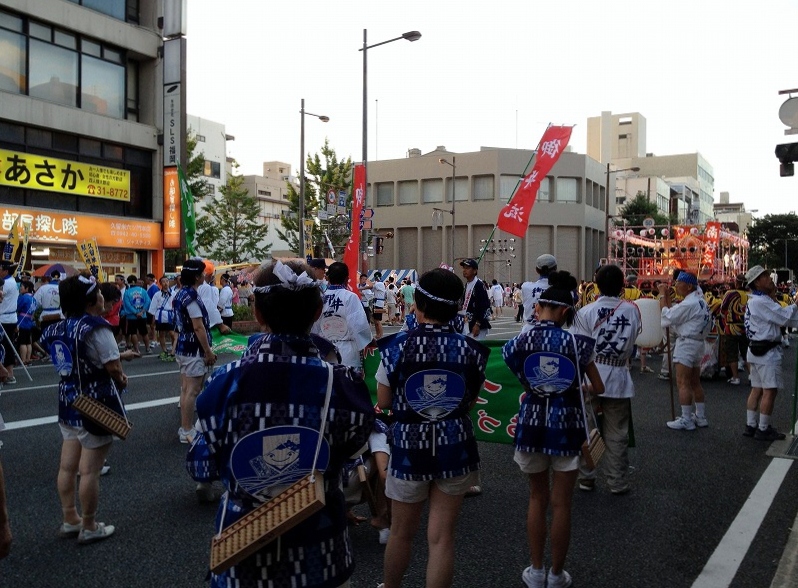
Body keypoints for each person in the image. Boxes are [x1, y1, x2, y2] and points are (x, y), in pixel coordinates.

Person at [188, 260, 374, 588]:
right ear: (318, 312)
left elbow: (202, 467)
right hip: (321, 551)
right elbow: (354, 454)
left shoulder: (222, 383)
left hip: (244, 550)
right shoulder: (341, 384)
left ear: (257, 313)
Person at [377, 268, 489, 588]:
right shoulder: (472, 349)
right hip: (456, 445)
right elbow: (468, 401)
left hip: (408, 446)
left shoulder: (395, 346)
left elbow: (384, 402)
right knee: (441, 539)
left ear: (419, 304)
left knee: (401, 533)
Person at [502, 271, 604, 588]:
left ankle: (535, 571)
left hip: (531, 422)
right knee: (562, 503)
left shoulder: (518, 342)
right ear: (564, 312)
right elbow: (597, 387)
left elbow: (520, 375)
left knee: (536, 498)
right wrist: (573, 388)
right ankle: (557, 575)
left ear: (538, 308)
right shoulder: (579, 344)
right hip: (568, 425)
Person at [40, 272, 137, 544]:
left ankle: (69, 518)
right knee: (91, 469)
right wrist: (121, 376)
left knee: (67, 466)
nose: (102, 295)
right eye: (98, 292)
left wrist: (120, 358)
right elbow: (112, 366)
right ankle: (89, 524)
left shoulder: (56, 328)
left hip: (67, 399)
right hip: (95, 402)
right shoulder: (96, 326)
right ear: (91, 299)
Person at [572, 264, 641, 495]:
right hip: (619, 376)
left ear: (596, 284)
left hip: (590, 374)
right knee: (617, 433)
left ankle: (586, 477)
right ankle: (617, 481)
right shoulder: (632, 310)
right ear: (622, 285)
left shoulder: (585, 311)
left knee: (587, 430)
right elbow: (636, 338)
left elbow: (579, 347)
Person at [743, 265, 798, 440]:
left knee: (757, 389)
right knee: (769, 390)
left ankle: (751, 425)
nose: (769, 278)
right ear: (757, 283)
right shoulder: (761, 301)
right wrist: (796, 303)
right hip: (766, 351)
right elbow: (784, 318)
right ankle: (763, 428)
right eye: (765, 276)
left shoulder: (755, 300)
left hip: (755, 348)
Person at [659, 272, 713, 430]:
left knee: (683, 382)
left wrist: (662, 294)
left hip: (687, 344)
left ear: (689, 286)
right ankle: (700, 416)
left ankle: (686, 418)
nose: (676, 286)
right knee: (695, 382)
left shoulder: (689, 304)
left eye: (678, 283)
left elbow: (667, 315)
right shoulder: (700, 301)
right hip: (697, 343)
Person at [172, 259, 217, 444]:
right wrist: (208, 352)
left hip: (183, 346)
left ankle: (185, 426)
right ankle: (187, 429)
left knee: (185, 389)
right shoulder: (191, 297)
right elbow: (198, 327)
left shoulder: (180, 293)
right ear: (198, 276)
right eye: (203, 273)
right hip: (193, 348)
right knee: (193, 390)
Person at [311, 262, 372, 369]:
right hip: (347, 353)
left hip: (324, 351)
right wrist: (369, 342)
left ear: (327, 277)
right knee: (348, 384)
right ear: (346, 278)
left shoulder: (319, 297)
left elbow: (313, 326)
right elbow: (359, 326)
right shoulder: (350, 297)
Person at [719, 274, 749, 385]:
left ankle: (735, 377)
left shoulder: (730, 293)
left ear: (736, 282)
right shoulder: (750, 294)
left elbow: (723, 309)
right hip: (746, 328)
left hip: (731, 328)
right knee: (746, 352)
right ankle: (752, 376)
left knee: (732, 353)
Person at [521, 254, 557, 333]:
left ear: (537, 270)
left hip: (527, 332)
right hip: (552, 332)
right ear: (555, 268)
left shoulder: (526, 286)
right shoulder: (559, 289)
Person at [459, 259, 491, 339]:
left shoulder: (479, 285)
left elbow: (483, 305)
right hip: (468, 323)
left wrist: (477, 324)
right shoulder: (467, 284)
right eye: (464, 268)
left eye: (467, 268)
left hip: (477, 325)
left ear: (474, 271)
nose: (464, 270)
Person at [148, 276, 177, 361]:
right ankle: (164, 351)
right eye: (163, 282)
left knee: (172, 334)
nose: (165, 283)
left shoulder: (174, 293)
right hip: (160, 316)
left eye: (167, 281)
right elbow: (153, 306)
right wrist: (153, 318)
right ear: (160, 284)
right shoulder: (157, 295)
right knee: (161, 334)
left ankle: (173, 350)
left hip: (170, 315)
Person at [121, 275, 151, 354]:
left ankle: (136, 349)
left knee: (133, 333)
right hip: (142, 315)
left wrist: (135, 312)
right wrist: (142, 311)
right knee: (144, 332)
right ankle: (148, 348)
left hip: (131, 316)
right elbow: (148, 302)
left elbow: (126, 304)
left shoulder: (127, 292)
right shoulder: (143, 291)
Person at [0, 261, 19, 385]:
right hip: (11, 317)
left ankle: (8, 374)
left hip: (4, 319)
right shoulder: (13, 281)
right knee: (9, 345)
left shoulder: (6, 283)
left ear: (6, 270)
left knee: (5, 347)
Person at [16, 280, 36, 366]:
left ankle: (23, 360)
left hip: (22, 320)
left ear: (27, 288)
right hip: (29, 321)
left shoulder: (23, 297)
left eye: (22, 286)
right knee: (28, 342)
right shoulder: (33, 299)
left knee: (22, 342)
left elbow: (18, 307)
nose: (20, 288)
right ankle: (28, 359)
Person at [372, 272, 387, 338]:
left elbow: (371, 286)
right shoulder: (377, 284)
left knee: (378, 320)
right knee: (375, 320)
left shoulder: (380, 284)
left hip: (379, 303)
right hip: (375, 302)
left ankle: (381, 334)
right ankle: (377, 334)